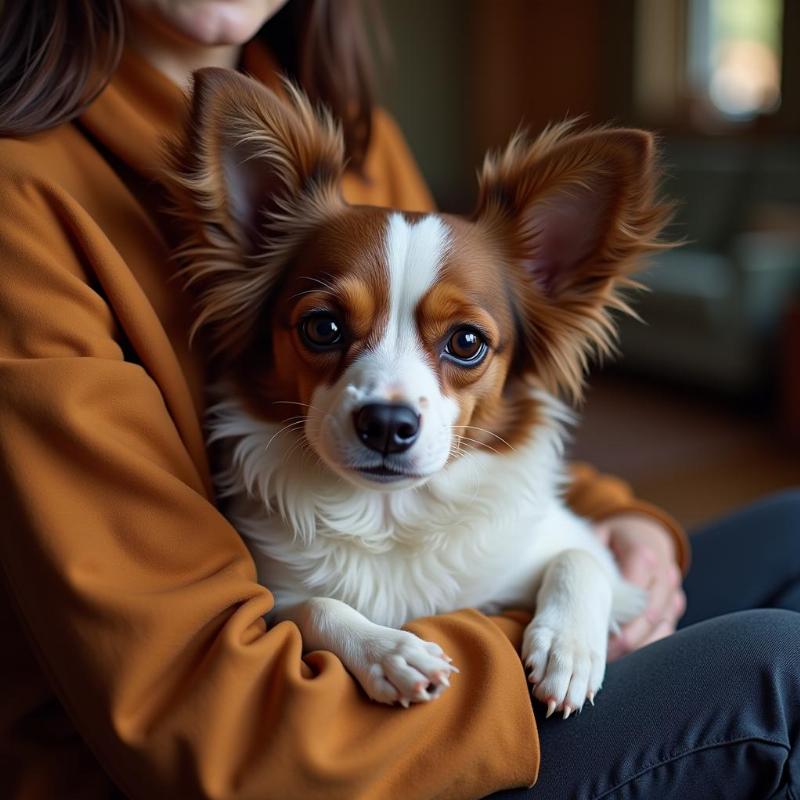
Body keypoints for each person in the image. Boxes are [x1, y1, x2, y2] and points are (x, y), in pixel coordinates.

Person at [0, 1, 796, 798]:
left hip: (474, 609)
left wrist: (620, 524)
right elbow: (204, 719)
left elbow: (500, 408)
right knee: (779, 673)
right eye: (323, 328)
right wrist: (541, 638)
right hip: (320, 743)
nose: (391, 399)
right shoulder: (25, 201)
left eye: (462, 343)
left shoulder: (351, 124)